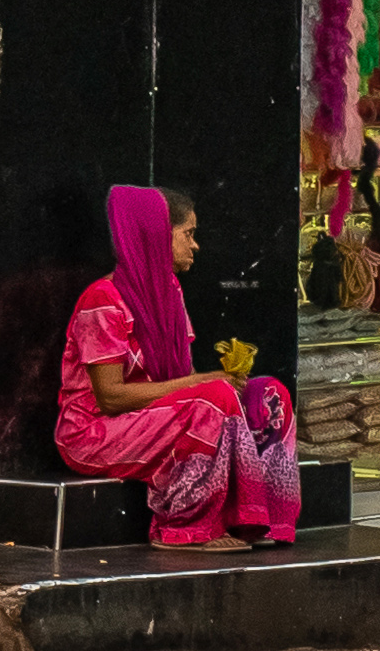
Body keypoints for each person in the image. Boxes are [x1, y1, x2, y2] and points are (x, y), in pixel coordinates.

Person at [55, 186, 301, 549]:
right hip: (94, 433)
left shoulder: (170, 293)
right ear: (154, 235)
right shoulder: (103, 299)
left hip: (153, 418)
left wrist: (219, 384)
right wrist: (205, 384)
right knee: (213, 395)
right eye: (188, 234)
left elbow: (179, 385)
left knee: (268, 395)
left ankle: (259, 520)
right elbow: (109, 398)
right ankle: (187, 526)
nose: (195, 245)